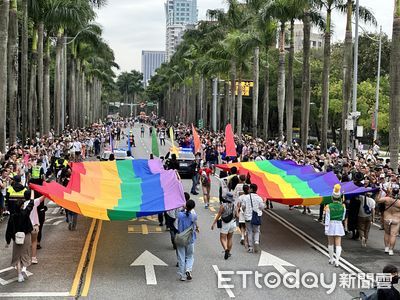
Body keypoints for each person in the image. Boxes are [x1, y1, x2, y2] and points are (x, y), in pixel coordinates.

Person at [5, 193, 35, 283]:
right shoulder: (25, 213)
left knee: (17, 257)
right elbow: (31, 204)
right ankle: (24, 269)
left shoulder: (12, 216)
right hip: (26, 236)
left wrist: (8, 241)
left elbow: (9, 229)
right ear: (22, 206)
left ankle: (19, 275)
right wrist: (32, 193)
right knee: (25, 254)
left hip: (16, 238)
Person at [176, 199, 199, 281]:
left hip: (181, 238)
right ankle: (188, 270)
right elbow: (195, 226)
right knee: (190, 256)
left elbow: (175, 225)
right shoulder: (194, 216)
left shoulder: (179, 215)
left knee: (181, 257)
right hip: (190, 238)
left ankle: (182, 276)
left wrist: (183, 207)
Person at [324, 184, 346, 267]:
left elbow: (327, 219)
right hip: (339, 225)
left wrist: (326, 228)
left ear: (332, 197)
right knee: (338, 244)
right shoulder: (343, 206)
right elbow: (343, 218)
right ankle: (337, 261)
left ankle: (331, 259)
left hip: (331, 225)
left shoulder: (328, 206)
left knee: (330, 243)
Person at [240, 183, 265, 253]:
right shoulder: (259, 198)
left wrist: (244, 210)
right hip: (257, 217)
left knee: (249, 231)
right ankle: (256, 242)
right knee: (257, 231)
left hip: (248, 216)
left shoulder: (246, 197)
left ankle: (250, 247)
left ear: (251, 189)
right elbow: (262, 207)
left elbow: (243, 207)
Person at [211, 192, 236, 259]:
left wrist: (214, 223)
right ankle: (229, 252)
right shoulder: (234, 205)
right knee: (230, 238)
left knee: (222, 238)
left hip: (225, 223)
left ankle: (225, 249)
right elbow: (236, 214)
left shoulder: (223, 205)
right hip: (233, 223)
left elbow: (219, 214)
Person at [376, 188, 400, 256]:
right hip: (396, 219)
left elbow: (378, 200)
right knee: (393, 235)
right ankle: (391, 250)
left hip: (387, 218)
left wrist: (379, 193)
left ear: (392, 192)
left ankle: (386, 248)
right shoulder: (399, 202)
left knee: (387, 233)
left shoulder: (387, 199)